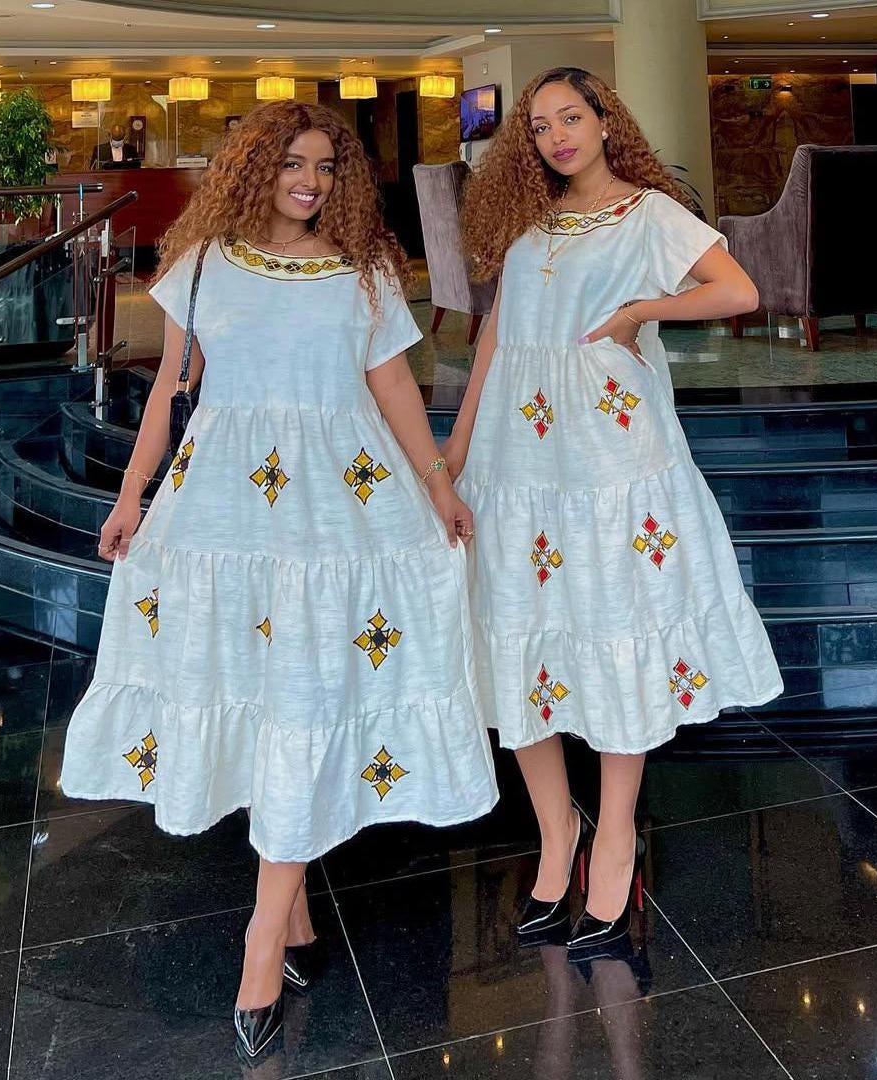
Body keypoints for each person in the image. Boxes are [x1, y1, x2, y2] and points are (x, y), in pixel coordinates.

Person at [60, 101, 498, 1059]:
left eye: (328, 167)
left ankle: (264, 935)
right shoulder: (203, 264)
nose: (311, 182)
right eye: (294, 163)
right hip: (225, 506)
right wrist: (131, 496)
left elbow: (391, 384)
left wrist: (436, 481)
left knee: (303, 694)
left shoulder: (362, 269)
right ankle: (291, 911)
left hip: (341, 507)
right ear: (257, 167)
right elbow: (171, 386)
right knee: (259, 693)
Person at [448, 67, 783, 954]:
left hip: (611, 455)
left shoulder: (648, 211)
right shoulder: (530, 220)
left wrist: (642, 309)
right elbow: (495, 335)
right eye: (540, 125)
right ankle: (557, 830)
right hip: (517, 458)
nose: (557, 135)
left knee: (614, 624)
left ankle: (617, 835)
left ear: (605, 122)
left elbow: (737, 291)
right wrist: (458, 446)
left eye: (571, 117)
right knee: (518, 629)